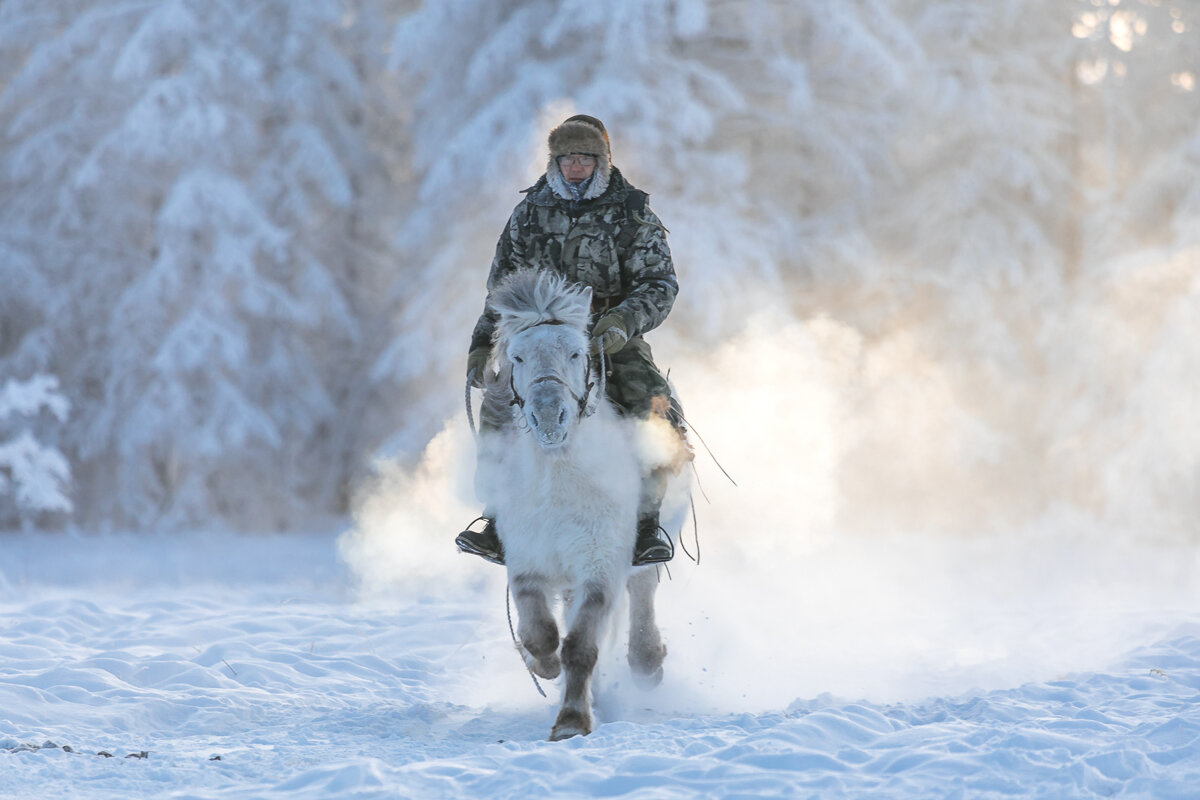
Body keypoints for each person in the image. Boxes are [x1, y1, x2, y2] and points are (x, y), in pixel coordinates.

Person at [456, 114, 684, 567]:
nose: (575, 167)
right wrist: (483, 344)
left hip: (607, 337)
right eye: (567, 160)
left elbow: (659, 283)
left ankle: (646, 524)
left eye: (585, 159)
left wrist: (622, 321)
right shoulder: (529, 212)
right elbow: (502, 286)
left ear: (603, 161)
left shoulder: (632, 212)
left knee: (652, 402)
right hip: (537, 338)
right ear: (555, 163)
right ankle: (497, 521)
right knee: (499, 406)